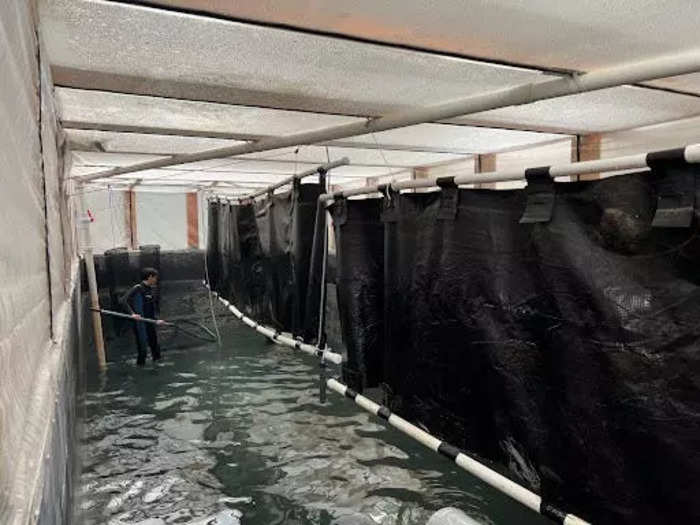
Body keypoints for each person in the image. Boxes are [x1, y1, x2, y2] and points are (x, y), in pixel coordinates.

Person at [122, 267, 165, 366]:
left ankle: (157, 371)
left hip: (150, 322)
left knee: (156, 349)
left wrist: (157, 320)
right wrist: (132, 314)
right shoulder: (138, 288)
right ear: (150, 277)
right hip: (140, 323)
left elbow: (150, 309)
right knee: (143, 350)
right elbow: (123, 300)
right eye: (155, 278)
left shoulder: (151, 290)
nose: (156, 280)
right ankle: (140, 370)